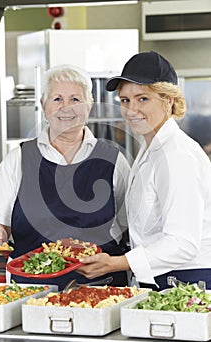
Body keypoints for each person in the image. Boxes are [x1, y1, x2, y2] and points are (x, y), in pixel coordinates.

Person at [0, 64, 130, 290]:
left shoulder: (114, 160)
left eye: (75, 99)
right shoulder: (18, 158)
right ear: (43, 105)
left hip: (101, 290)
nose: (65, 107)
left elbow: (132, 226)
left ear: (90, 105)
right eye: (57, 99)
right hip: (32, 291)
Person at [76, 51, 211, 291]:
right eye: (125, 100)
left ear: (168, 100)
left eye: (142, 99)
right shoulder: (151, 149)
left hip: (186, 281)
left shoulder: (177, 156)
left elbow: (182, 243)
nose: (131, 110)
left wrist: (117, 263)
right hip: (162, 278)